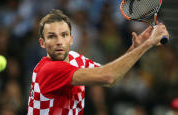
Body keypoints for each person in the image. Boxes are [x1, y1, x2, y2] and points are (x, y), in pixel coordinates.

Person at [27, 9, 169, 115]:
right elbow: (109, 77)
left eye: (63, 35)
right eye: (52, 36)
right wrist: (148, 44)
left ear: (71, 39)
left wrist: (134, 48)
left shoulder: (75, 58)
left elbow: (109, 71)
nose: (59, 42)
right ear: (42, 43)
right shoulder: (48, 69)